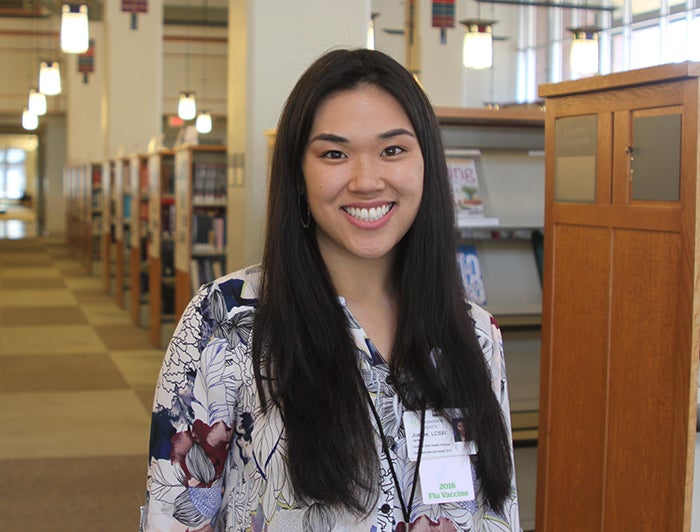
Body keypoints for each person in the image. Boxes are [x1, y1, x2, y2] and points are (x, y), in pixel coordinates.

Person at [141, 48, 520, 531]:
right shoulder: (225, 322)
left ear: (427, 165)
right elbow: (174, 517)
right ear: (298, 175)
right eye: (334, 154)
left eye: (393, 150)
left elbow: (498, 514)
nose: (366, 181)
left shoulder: (476, 334)